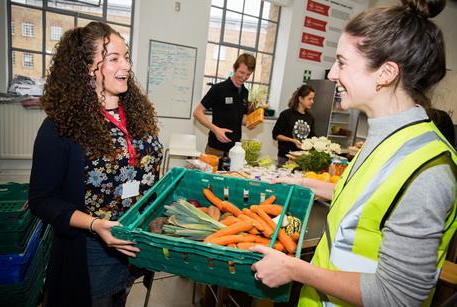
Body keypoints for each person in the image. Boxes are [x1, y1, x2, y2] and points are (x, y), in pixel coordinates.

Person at [250, 0, 457, 306]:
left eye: (343, 62)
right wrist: (300, 183)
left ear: (385, 73)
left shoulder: (428, 172)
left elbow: (397, 297)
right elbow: (366, 200)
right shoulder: (388, 136)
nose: (332, 73)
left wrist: (294, 269)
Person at [29, 22, 162, 307]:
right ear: (89, 68)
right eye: (113, 58)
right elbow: (42, 200)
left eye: (126, 56)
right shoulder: (60, 126)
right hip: (92, 250)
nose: (125, 65)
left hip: (134, 241)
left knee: (121, 298)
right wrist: (95, 225)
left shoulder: (136, 113)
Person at [193, 53, 256, 157]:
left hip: (234, 151)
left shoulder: (245, 92)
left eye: (248, 74)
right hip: (215, 149)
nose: (244, 77)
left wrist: (250, 122)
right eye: (242, 72)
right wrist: (215, 129)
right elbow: (197, 112)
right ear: (234, 68)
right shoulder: (218, 89)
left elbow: (241, 118)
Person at [272, 84, 316, 166]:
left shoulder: (310, 117)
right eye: (309, 99)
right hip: (285, 157)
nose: (312, 101)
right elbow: (276, 135)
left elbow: (312, 137)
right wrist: (292, 140)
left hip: (303, 159)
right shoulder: (286, 114)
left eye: (313, 99)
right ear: (300, 99)